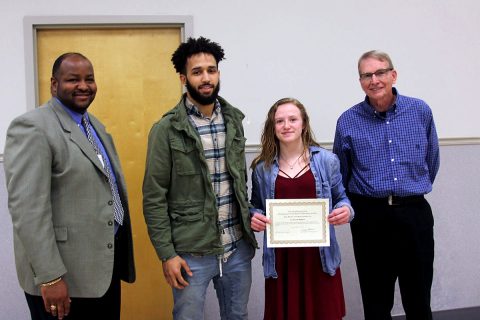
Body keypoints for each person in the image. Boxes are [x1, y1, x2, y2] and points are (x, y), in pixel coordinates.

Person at [4, 52, 136, 320]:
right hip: (64, 278)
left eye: (89, 79)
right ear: (54, 84)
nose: (83, 85)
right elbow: (28, 211)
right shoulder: (33, 127)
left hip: (100, 272)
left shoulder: (93, 125)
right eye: (73, 79)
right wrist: (50, 277)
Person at [142, 37, 257, 320]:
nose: (206, 78)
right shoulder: (166, 129)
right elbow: (154, 197)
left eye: (211, 70)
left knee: (237, 316)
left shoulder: (233, 121)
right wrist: (167, 254)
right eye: (197, 72)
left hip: (236, 249)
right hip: (191, 254)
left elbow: (238, 184)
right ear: (183, 78)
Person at [333, 50, 440, 320]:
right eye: (367, 75)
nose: (375, 80)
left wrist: (411, 190)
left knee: (418, 299)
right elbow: (341, 174)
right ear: (360, 81)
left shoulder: (420, 111)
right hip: (370, 219)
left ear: (393, 74)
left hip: (414, 214)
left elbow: (432, 160)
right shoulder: (347, 121)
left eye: (380, 72)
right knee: (376, 301)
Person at [250, 97, 354, 320]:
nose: (286, 126)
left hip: (319, 259)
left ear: (304, 124)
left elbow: (342, 199)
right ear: (272, 127)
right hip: (282, 262)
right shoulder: (262, 168)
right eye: (279, 121)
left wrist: (346, 211)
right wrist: (255, 217)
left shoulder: (327, 161)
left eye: (292, 119)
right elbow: (256, 207)